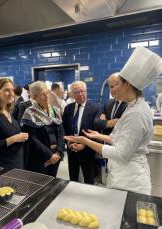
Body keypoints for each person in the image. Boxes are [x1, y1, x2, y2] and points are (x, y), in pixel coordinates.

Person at [65, 46, 162, 194]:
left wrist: (86, 141)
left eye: (117, 85)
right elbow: (120, 138)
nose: (113, 90)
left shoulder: (137, 113)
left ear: (127, 84)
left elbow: (121, 153)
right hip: (123, 176)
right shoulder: (133, 107)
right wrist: (98, 136)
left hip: (131, 180)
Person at [0, 77, 28, 169]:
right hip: (1, 167)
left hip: (16, 163)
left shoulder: (8, 112)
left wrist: (19, 136)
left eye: (12, 90)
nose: (11, 93)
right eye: (7, 90)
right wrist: (13, 139)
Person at [21, 81, 64, 177]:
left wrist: (59, 151)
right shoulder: (29, 113)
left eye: (47, 92)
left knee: (52, 181)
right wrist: (49, 155)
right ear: (34, 97)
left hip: (56, 155)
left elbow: (61, 132)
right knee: (40, 184)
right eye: (42, 94)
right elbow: (32, 138)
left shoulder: (54, 110)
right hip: (40, 157)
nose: (47, 96)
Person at [62, 81, 101, 184]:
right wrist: (69, 143)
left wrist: (84, 144)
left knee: (89, 179)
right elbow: (64, 128)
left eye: (82, 91)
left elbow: (97, 130)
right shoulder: (68, 108)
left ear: (86, 91)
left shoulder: (95, 108)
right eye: (76, 92)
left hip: (87, 150)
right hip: (72, 149)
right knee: (73, 178)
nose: (80, 94)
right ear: (72, 94)